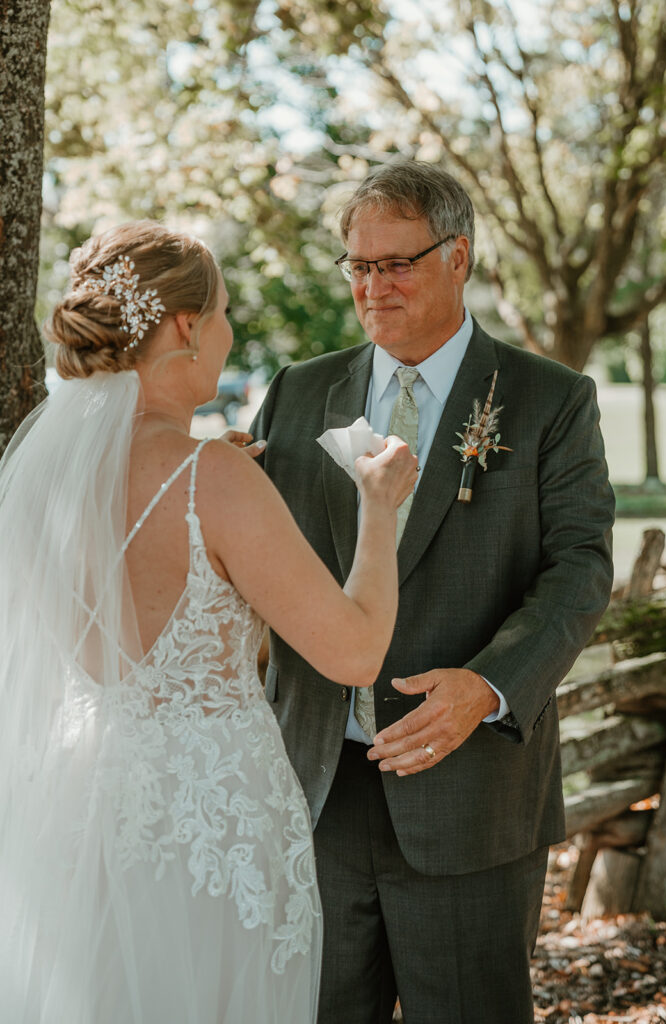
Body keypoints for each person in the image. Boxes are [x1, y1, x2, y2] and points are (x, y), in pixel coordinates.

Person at [0, 221, 417, 1024]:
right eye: (223, 313)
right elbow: (357, 652)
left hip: (81, 813)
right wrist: (376, 504)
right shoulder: (212, 476)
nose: (230, 334)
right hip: (212, 834)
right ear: (187, 327)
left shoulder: (44, 484)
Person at [251, 160, 615, 1024]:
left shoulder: (548, 399)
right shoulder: (298, 392)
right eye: (357, 266)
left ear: (458, 256)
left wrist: (487, 689)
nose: (372, 288)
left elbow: (579, 569)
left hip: (471, 792)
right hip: (314, 789)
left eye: (396, 264)